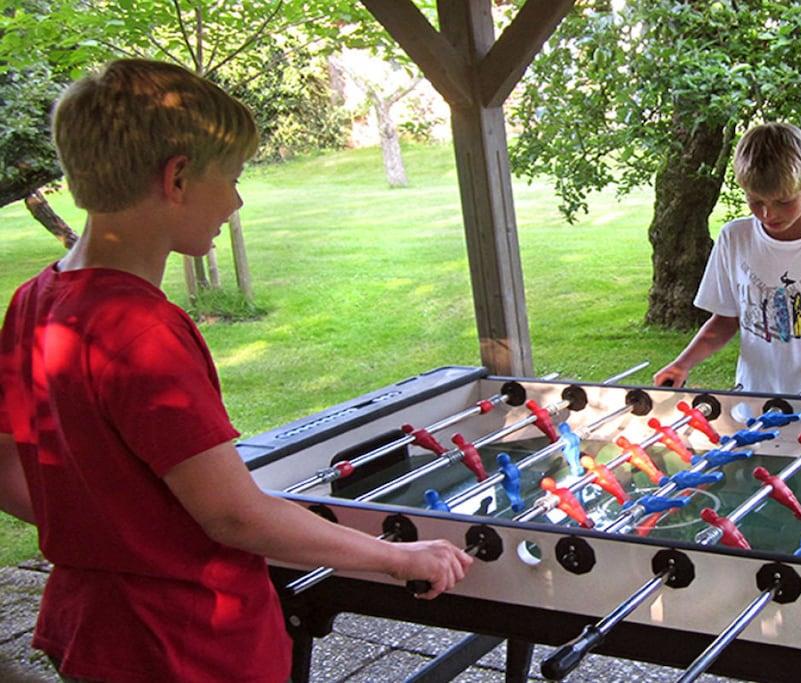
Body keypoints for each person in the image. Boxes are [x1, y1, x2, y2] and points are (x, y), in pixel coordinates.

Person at [0, 59, 472, 683]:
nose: (237, 201)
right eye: (232, 178)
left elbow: (7, 469)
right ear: (177, 178)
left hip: (93, 629)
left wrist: (112, 533)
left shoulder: (34, 301)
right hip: (189, 645)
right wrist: (396, 556)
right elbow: (234, 515)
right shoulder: (143, 333)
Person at [654, 122, 801, 398]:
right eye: (756, 201)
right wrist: (683, 364)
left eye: (783, 201)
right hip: (758, 396)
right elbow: (725, 319)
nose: (768, 214)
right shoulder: (735, 238)